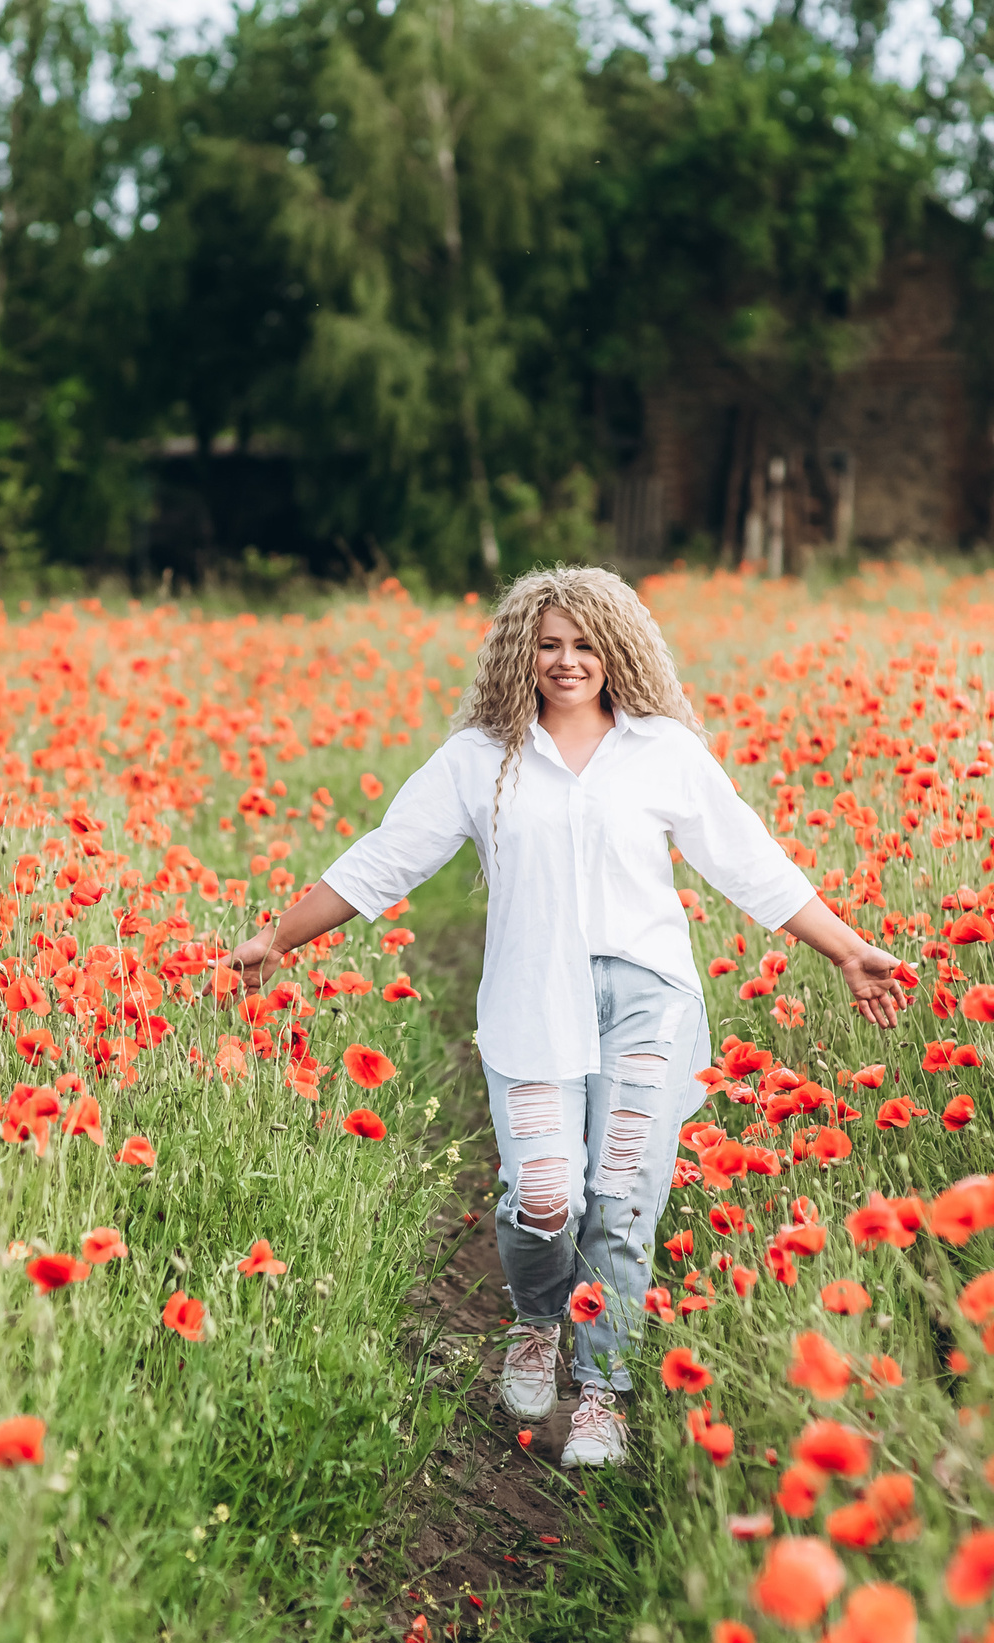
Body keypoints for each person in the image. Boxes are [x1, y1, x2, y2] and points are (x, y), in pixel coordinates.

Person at [222, 566, 908, 1468]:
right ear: (521, 652)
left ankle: (602, 1396)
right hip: (532, 993)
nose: (567, 660)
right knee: (546, 1199)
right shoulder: (480, 757)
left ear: (618, 649)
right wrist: (277, 938)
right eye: (549, 643)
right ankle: (540, 1318)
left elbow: (750, 862)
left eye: (585, 643)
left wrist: (845, 946)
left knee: (621, 1199)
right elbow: (388, 860)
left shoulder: (662, 749)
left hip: (648, 999)